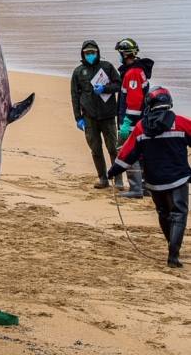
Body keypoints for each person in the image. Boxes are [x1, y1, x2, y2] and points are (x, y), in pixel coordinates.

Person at [108, 87, 191, 268]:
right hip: (179, 179)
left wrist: (113, 172)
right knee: (179, 213)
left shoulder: (140, 127)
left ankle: (171, 246)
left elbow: (127, 154)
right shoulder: (181, 123)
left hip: (154, 181)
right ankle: (173, 256)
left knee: (164, 213)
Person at [71, 40, 122, 189]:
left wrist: (105, 89)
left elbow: (119, 84)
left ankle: (118, 179)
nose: (90, 55)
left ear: (98, 52)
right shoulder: (78, 72)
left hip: (108, 116)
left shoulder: (107, 67)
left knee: (113, 148)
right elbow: (74, 96)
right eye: (87, 53)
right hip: (89, 117)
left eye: (93, 52)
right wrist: (78, 118)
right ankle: (103, 179)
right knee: (96, 149)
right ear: (83, 54)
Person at [115, 38, 154, 198]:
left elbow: (134, 102)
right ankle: (146, 187)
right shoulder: (139, 70)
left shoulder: (132, 74)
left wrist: (126, 123)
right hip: (141, 121)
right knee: (143, 153)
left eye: (119, 53)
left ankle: (136, 188)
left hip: (133, 123)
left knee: (130, 152)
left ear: (125, 54)